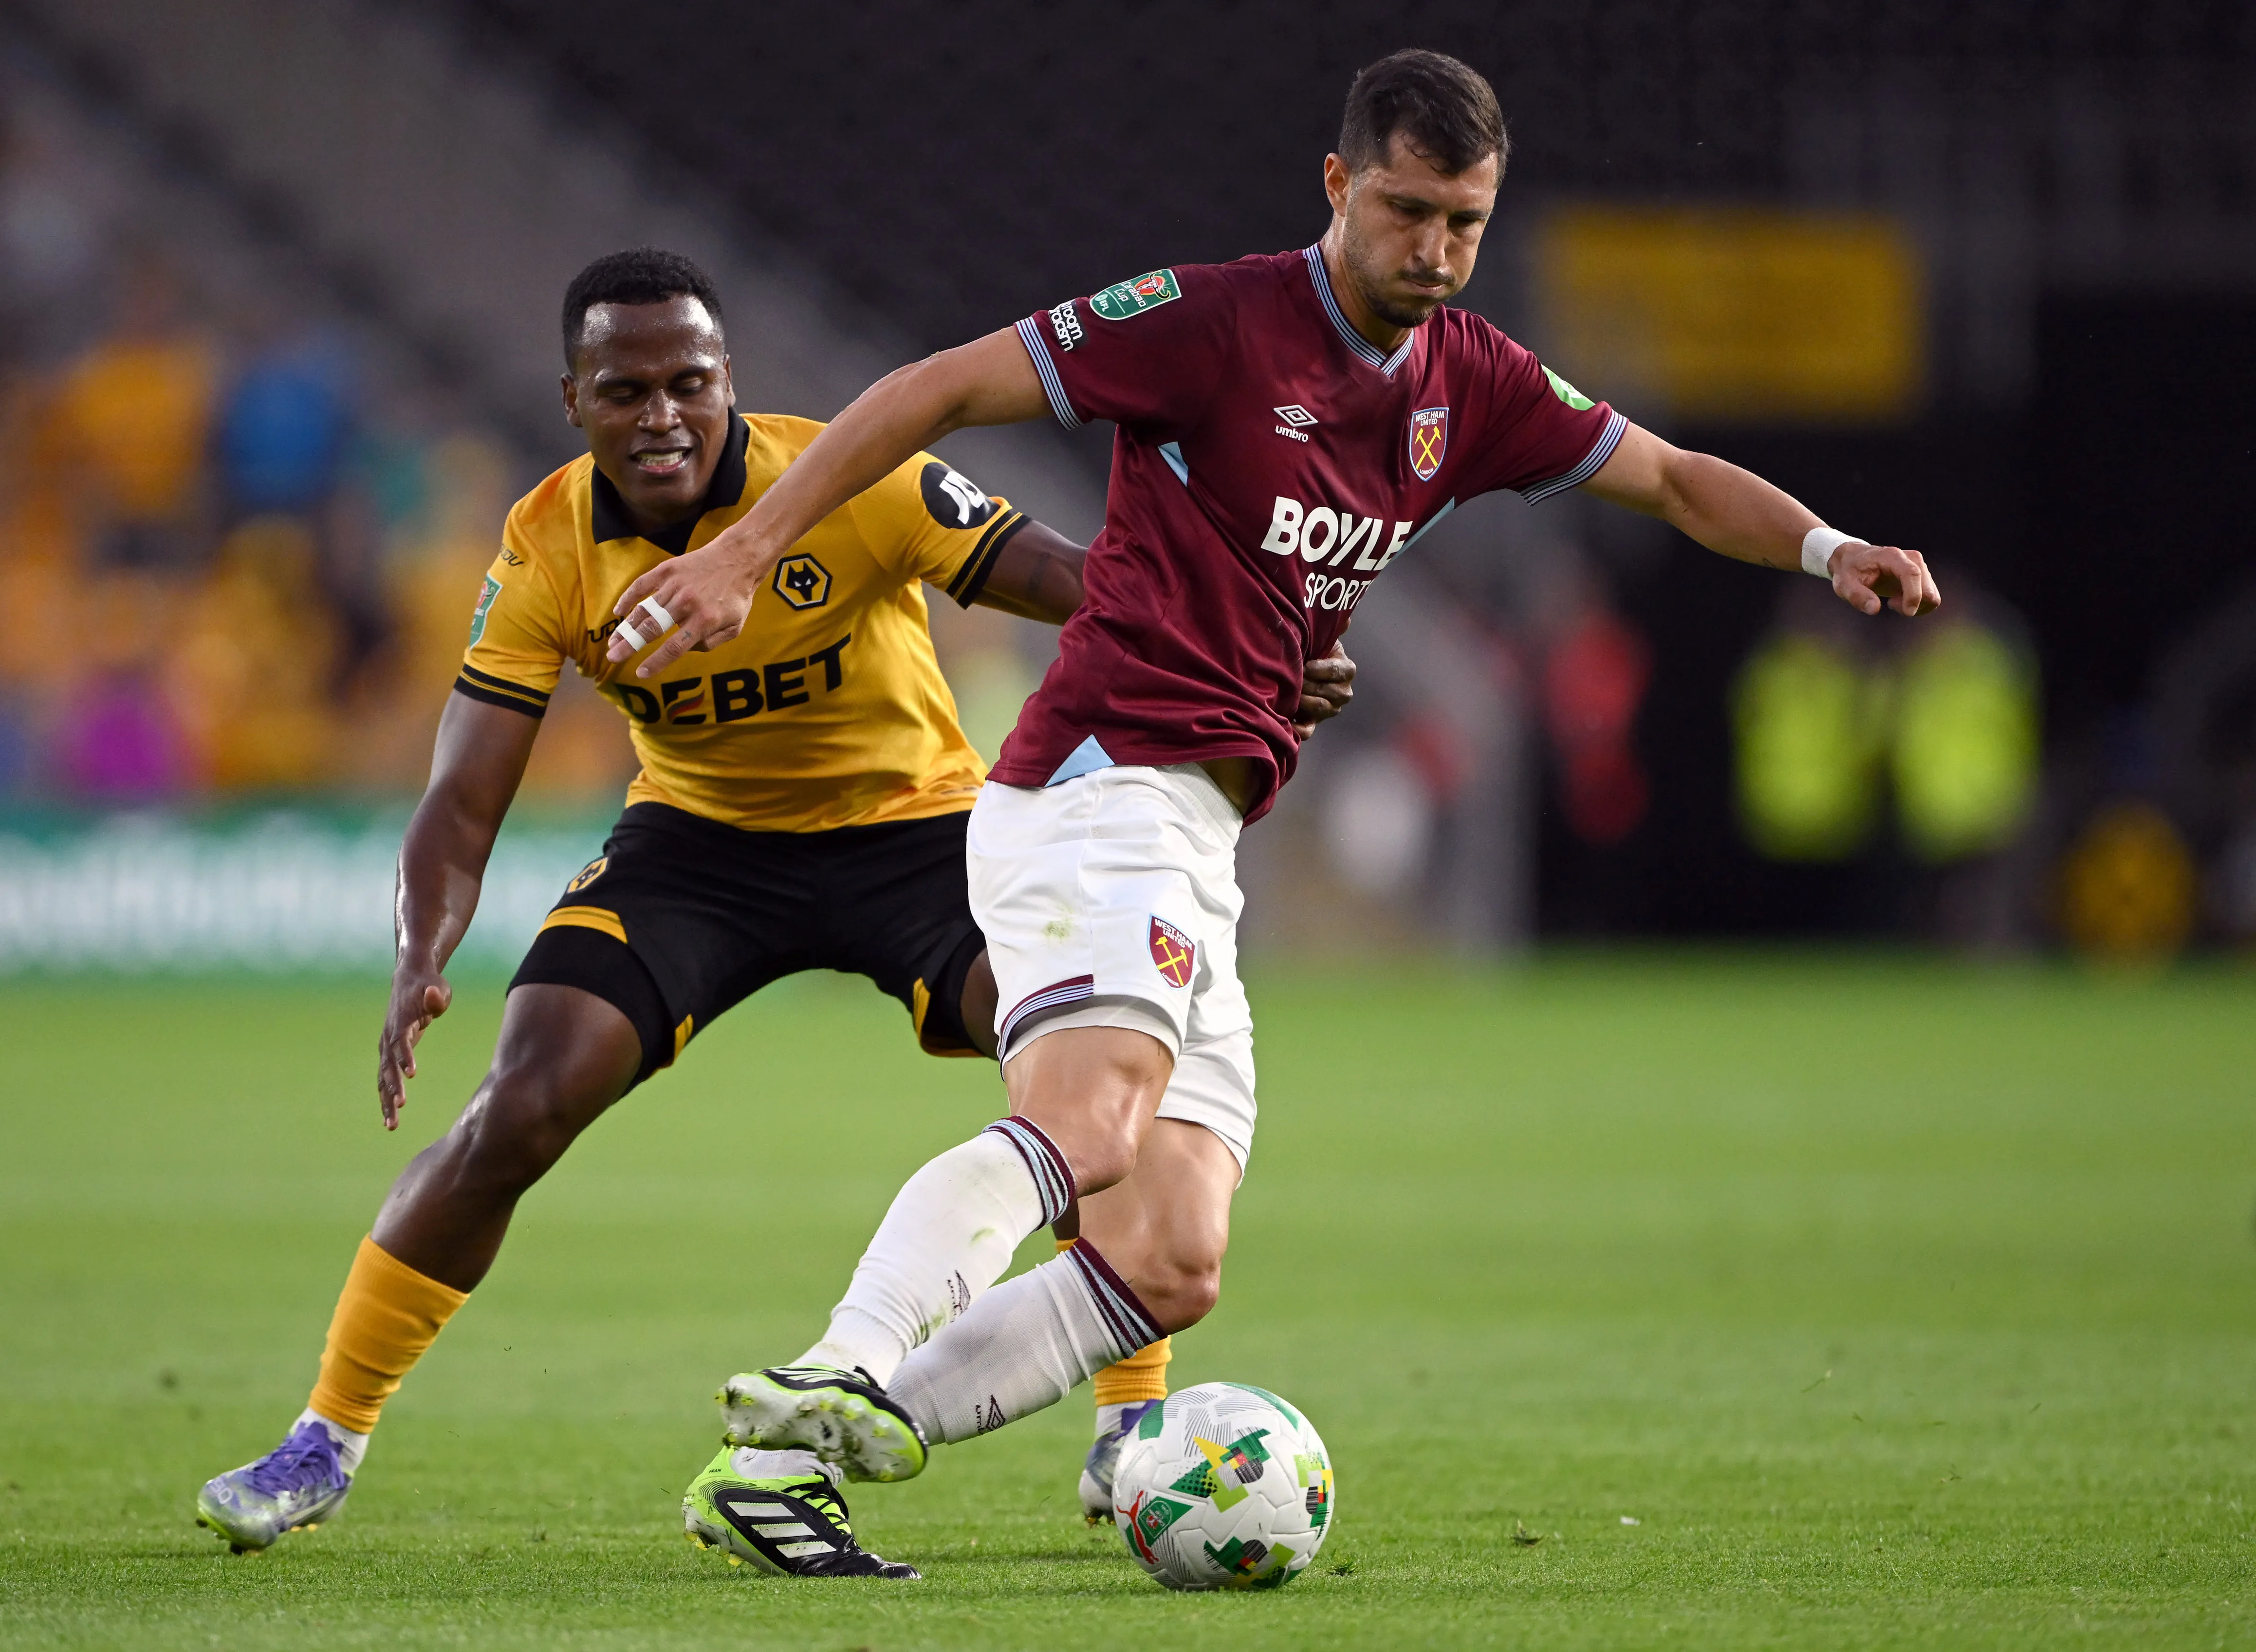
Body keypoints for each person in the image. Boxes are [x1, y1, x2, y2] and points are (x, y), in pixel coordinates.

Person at [603, 48, 1942, 1526]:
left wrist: (1831, 550)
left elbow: (1677, 477)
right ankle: (840, 1362)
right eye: (1408, 211)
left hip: (1203, 828)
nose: (1434, 254)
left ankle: (788, 1467)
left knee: (1172, 1256)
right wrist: (737, 550)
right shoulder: (1207, 323)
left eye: (1467, 224)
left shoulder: (1473, 382)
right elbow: (932, 391)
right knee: (1095, 1129)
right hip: (1100, 784)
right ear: (1337, 185)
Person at [190, 248, 1356, 1578]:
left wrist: (1253, 650)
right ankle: (323, 1438)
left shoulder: (850, 480)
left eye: (690, 382)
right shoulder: (545, 546)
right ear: (574, 400)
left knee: (1093, 1092)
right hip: (701, 851)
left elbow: (1075, 580)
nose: (664, 415)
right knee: (521, 1100)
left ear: (729, 378)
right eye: (625, 391)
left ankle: (1127, 1417)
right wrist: (420, 955)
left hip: (917, 833)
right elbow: (465, 794)